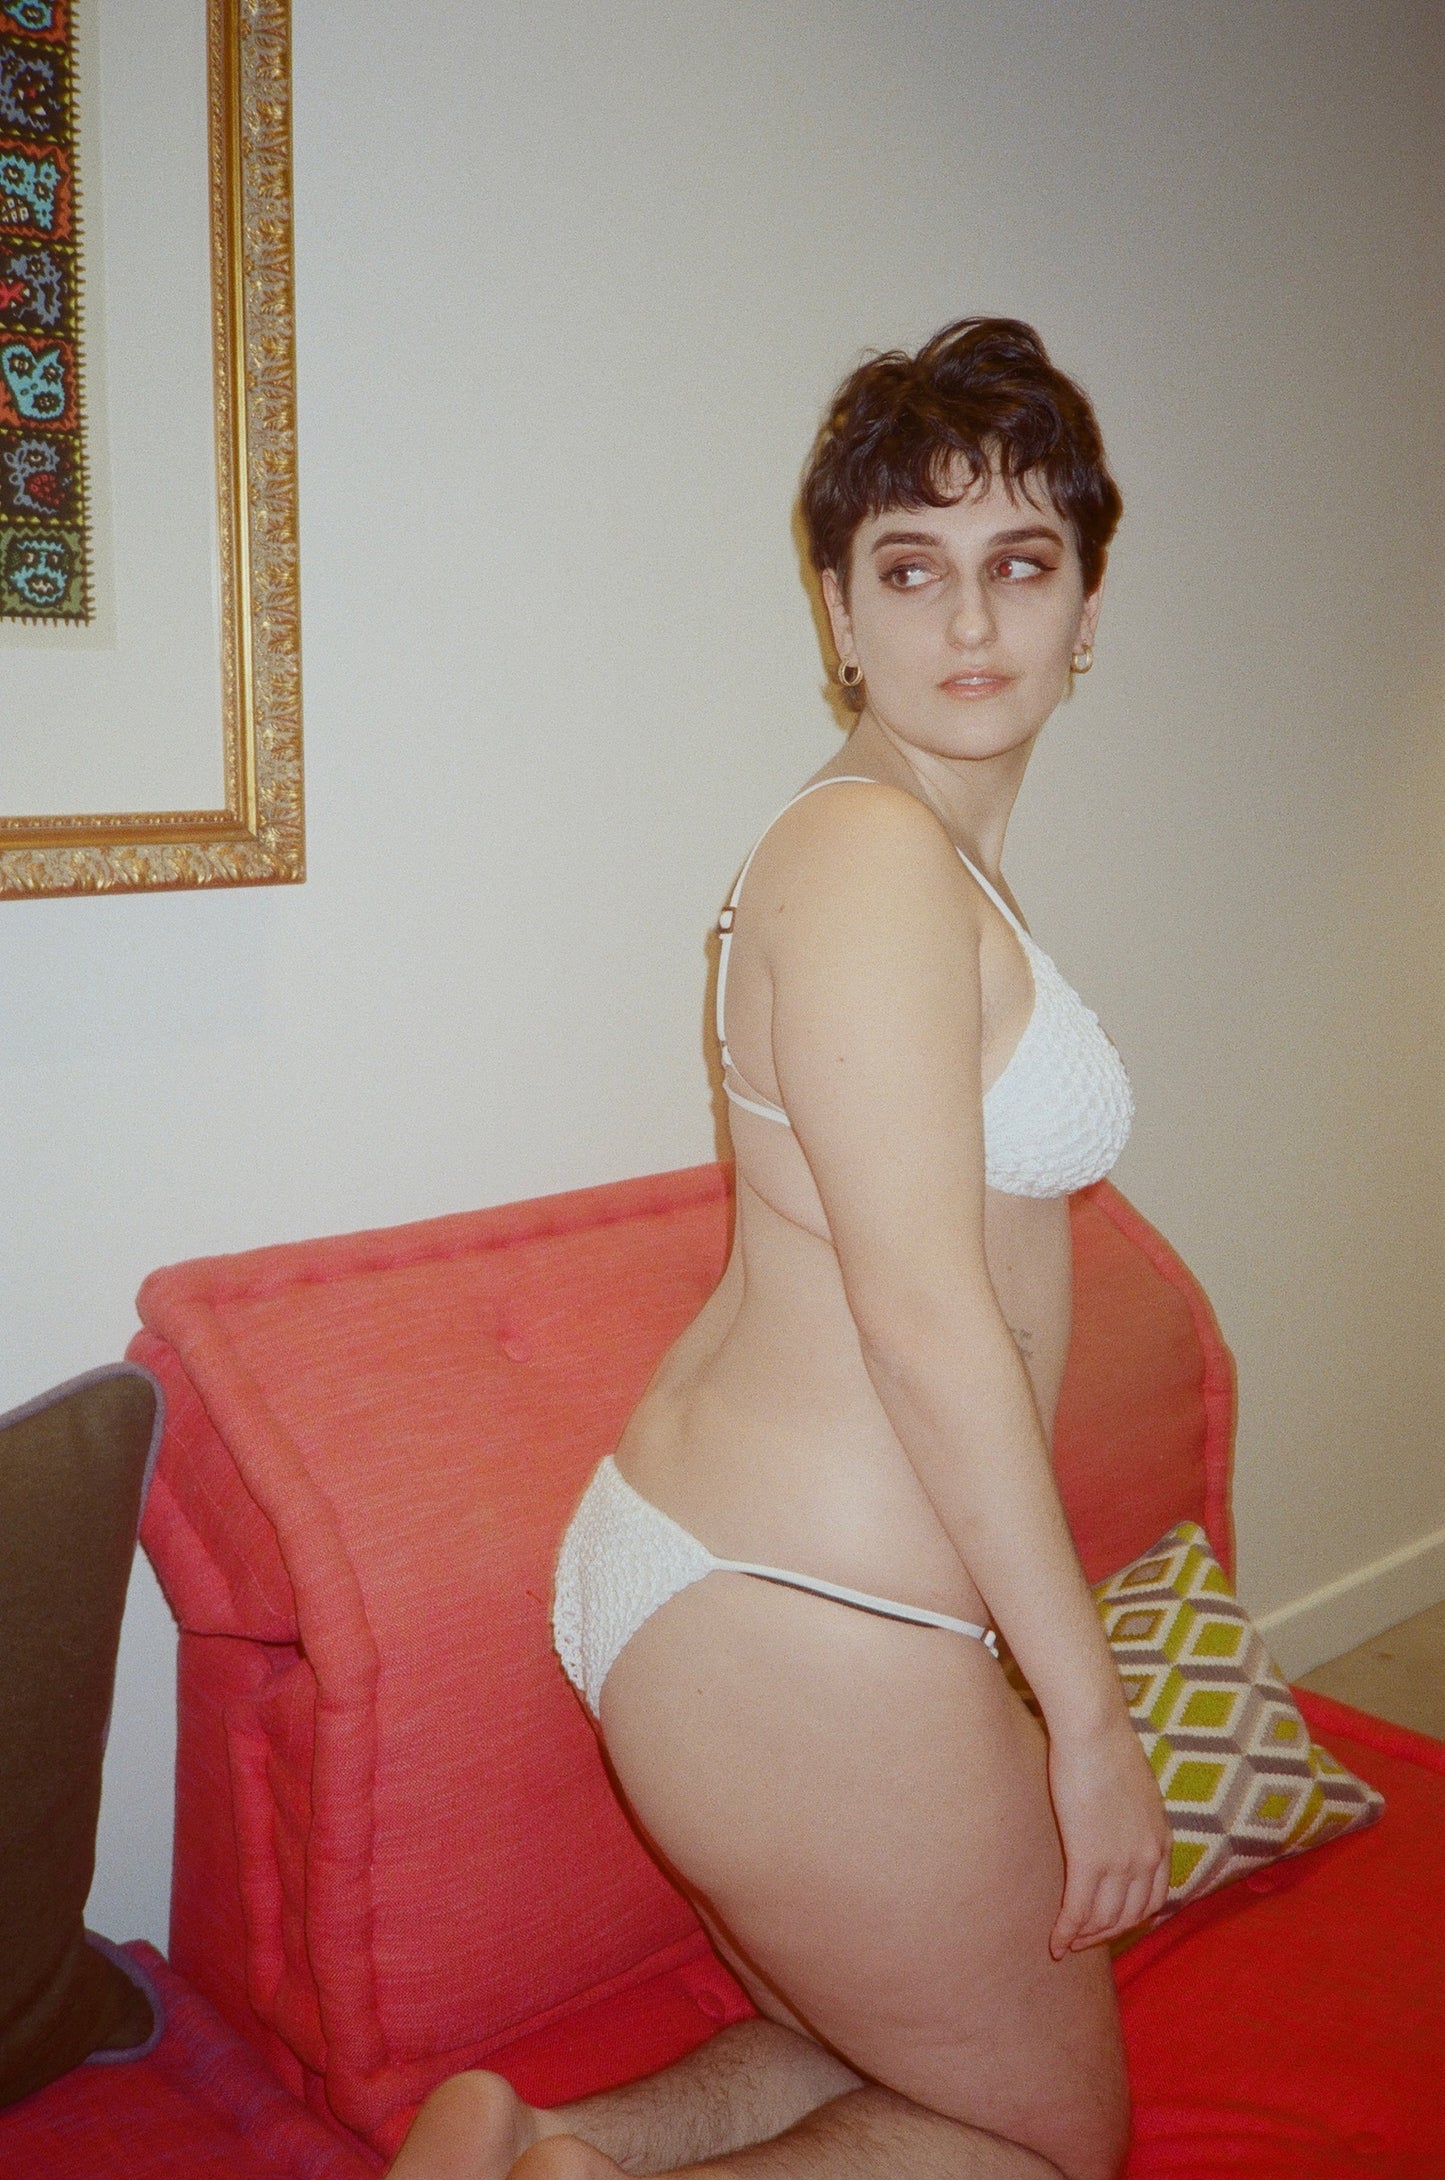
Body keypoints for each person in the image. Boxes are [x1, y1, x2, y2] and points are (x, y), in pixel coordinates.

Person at [389, 318, 1171, 2180]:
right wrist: (1084, 1717)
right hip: (797, 1607)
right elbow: (921, 1315)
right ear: (835, 609)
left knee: (849, 2036)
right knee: (1057, 2152)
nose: (967, 619)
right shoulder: (870, 860)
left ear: (1086, 607)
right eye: (908, 567)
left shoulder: (919, 856)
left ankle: (539, 2151)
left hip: (764, 1581)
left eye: (1019, 563)